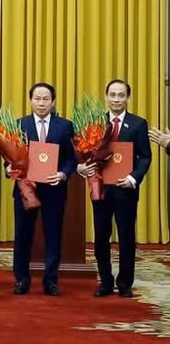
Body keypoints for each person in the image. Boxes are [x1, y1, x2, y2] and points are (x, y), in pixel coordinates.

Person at [77, 79, 151, 298]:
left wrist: (133, 178)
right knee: (101, 236)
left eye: (121, 95)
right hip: (101, 189)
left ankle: (125, 283)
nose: (116, 99)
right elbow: (83, 152)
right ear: (106, 96)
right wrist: (82, 167)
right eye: (112, 94)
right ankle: (105, 282)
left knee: (126, 236)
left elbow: (145, 156)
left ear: (127, 98)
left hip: (126, 189)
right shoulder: (95, 123)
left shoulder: (138, 124)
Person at [12, 82, 75, 296]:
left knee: (53, 234)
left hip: (53, 190)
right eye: (37, 98)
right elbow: (11, 156)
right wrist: (9, 168)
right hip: (26, 190)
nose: (41, 103)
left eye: (45, 99)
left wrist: (63, 174)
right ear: (30, 100)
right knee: (22, 235)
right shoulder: (19, 124)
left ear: (53, 101)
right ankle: (21, 280)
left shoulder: (64, 126)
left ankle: (50, 280)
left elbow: (71, 157)